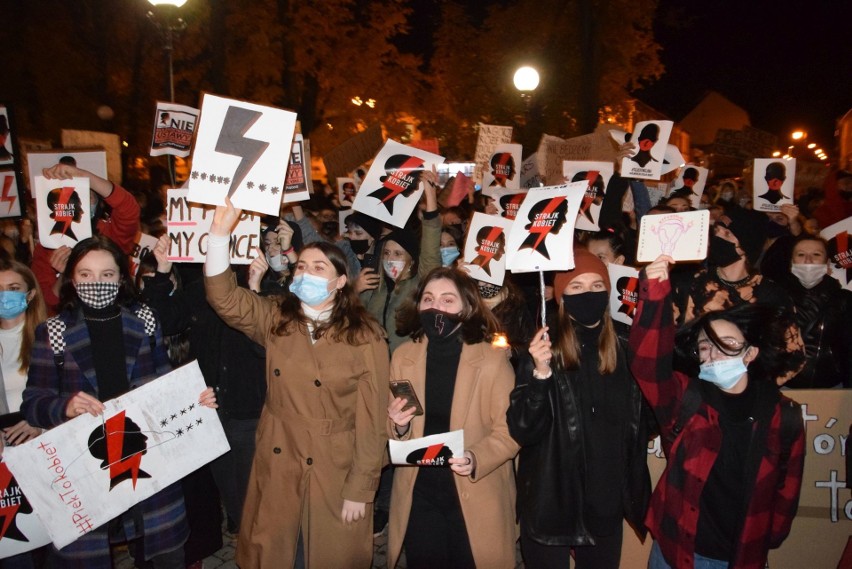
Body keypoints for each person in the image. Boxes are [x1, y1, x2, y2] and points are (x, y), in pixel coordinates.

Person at [204, 200, 389, 568]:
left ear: (340, 282)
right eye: (302, 266)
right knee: (278, 553)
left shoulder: (366, 337)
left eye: (319, 267)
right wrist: (219, 235)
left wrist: (361, 489)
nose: (306, 272)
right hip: (280, 454)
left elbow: (373, 422)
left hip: (335, 466)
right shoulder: (277, 318)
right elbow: (224, 299)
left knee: (323, 555)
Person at [22, 235, 216, 568]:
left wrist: (193, 401)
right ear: (72, 279)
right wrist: (63, 407)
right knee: (87, 557)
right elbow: (33, 402)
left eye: (107, 275)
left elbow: (164, 382)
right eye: (85, 275)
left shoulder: (144, 319)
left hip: (146, 457)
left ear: (121, 278)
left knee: (164, 554)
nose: (96, 283)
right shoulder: (52, 332)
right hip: (86, 466)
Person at [629, 255, 806, 569]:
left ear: (750, 353)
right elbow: (647, 364)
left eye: (725, 343)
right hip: (675, 554)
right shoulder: (687, 399)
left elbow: (786, 491)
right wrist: (654, 293)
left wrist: (765, 537)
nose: (714, 354)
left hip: (739, 559)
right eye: (705, 347)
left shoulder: (784, 416)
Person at [507, 248, 651, 569]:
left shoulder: (626, 347)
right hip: (552, 501)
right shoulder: (542, 349)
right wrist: (540, 375)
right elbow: (523, 429)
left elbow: (644, 418)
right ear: (560, 296)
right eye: (576, 286)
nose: (588, 293)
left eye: (597, 285)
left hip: (606, 500)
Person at [386, 267, 519, 568]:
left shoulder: (493, 360)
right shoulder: (403, 357)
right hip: (419, 493)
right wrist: (399, 425)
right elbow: (393, 430)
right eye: (429, 299)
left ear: (468, 307)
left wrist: (476, 457)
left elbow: (510, 431)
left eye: (448, 300)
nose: (436, 308)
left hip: (474, 490)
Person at [32, 163, 140, 315]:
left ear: (98, 203)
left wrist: (84, 176)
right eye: (71, 199)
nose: (79, 204)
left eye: (86, 196)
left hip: (114, 317)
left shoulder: (109, 234)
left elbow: (128, 209)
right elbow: (46, 303)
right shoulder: (46, 245)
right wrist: (65, 275)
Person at [776, 235, 852, 388]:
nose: (808, 260)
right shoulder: (775, 297)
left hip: (832, 386)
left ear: (827, 263)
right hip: (784, 384)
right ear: (792, 263)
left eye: (816, 255)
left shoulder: (844, 299)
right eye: (801, 254)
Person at [0, 258, 46, 447]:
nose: (4, 296)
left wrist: (41, 423)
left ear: (30, 294)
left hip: (45, 443)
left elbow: (69, 397)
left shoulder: (51, 337)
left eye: (13, 288)